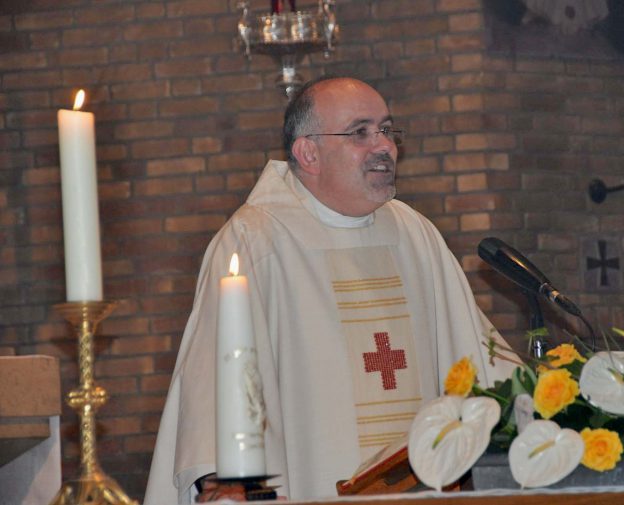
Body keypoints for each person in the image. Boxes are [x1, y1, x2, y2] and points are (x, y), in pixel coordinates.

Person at [144, 76, 517, 503]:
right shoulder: (256, 241)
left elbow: (478, 359)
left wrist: (547, 408)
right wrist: (229, 480)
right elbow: (215, 379)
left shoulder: (415, 234)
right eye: (360, 132)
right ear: (308, 153)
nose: (384, 146)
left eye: (386, 130)